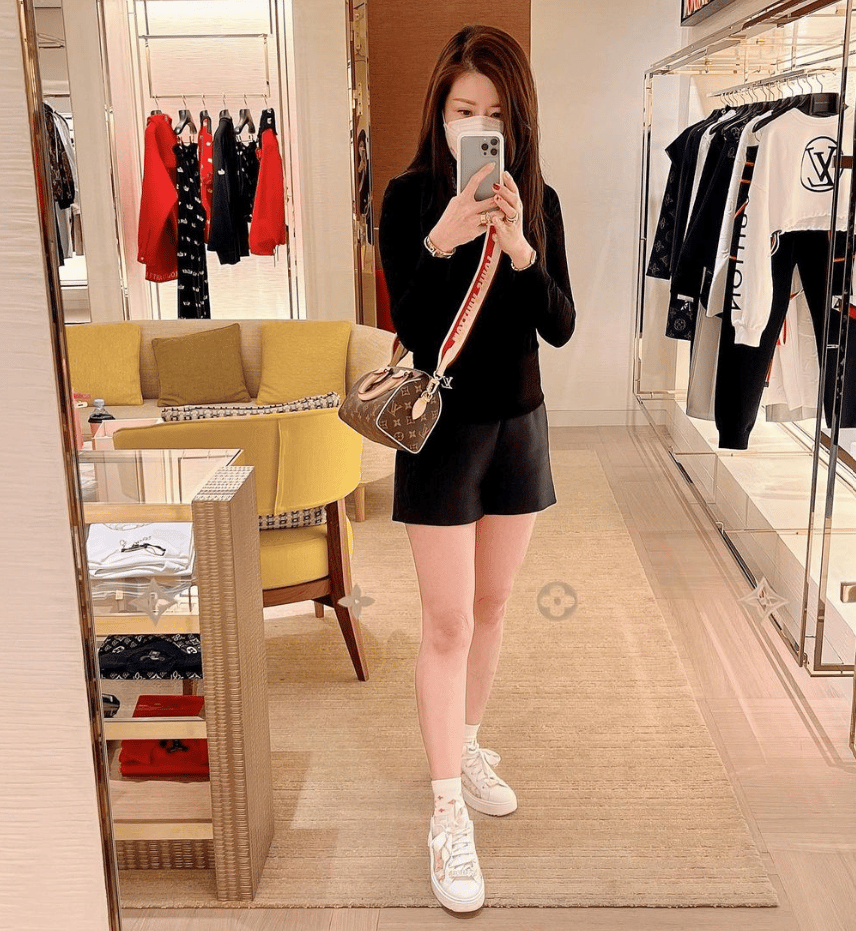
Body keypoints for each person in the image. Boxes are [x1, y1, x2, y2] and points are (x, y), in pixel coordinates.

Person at [378, 24, 576, 912]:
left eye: (494, 113)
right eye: (464, 110)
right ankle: (445, 810)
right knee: (448, 621)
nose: (477, 126)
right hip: (443, 435)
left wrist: (522, 250)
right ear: (441, 111)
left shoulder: (541, 200)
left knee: (492, 607)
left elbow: (560, 324)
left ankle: (466, 745)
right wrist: (443, 241)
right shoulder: (409, 198)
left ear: (516, 120)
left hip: (520, 427)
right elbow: (416, 331)